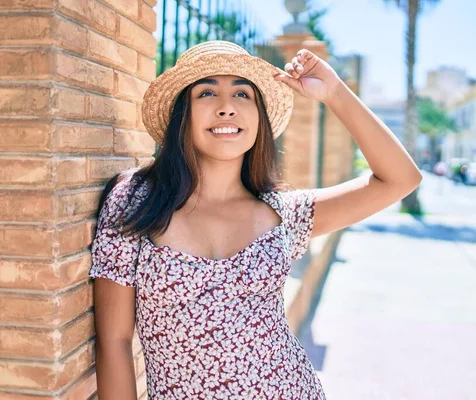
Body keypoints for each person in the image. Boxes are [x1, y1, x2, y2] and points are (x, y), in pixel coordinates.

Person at [89, 40, 422, 399]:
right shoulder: (136, 201)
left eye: (242, 95)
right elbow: (115, 341)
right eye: (206, 93)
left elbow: (401, 179)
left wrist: (335, 92)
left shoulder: (283, 213)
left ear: (259, 119)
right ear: (181, 115)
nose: (226, 108)